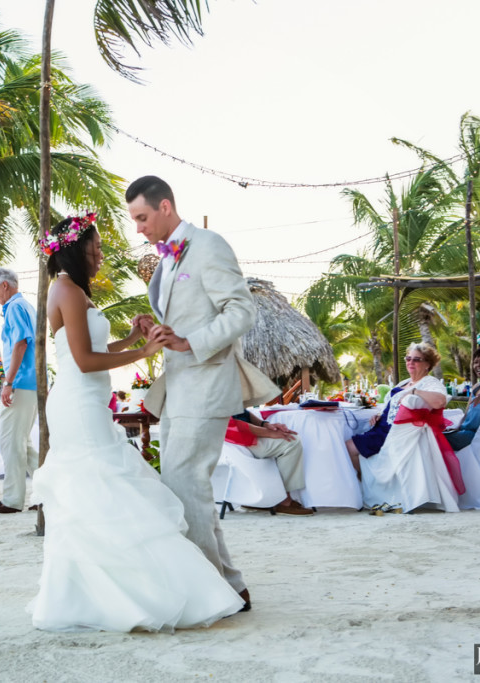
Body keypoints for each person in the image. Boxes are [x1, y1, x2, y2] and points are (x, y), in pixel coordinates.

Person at [29, 213, 243, 632]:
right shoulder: (66, 290)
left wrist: (129, 340)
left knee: (100, 492)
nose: (100, 256)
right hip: (78, 402)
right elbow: (87, 362)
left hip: (85, 402)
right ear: (76, 250)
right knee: (98, 490)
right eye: (95, 249)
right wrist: (143, 354)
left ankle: (101, 593)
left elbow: (87, 347)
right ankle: (108, 595)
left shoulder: (70, 290)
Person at [129, 175, 271, 613]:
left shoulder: (208, 244)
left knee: (184, 485)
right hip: (178, 388)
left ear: (165, 206)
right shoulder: (168, 259)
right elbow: (184, 319)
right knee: (185, 489)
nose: (138, 228)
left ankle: (210, 590)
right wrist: (156, 329)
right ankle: (229, 585)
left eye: (143, 217)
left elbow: (242, 310)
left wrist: (192, 342)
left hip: (206, 383)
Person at [0, 267, 39, 514]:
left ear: (5, 285)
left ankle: (12, 500)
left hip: (21, 382)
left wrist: (8, 382)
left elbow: (20, 344)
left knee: (11, 443)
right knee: (24, 444)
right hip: (31, 383)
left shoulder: (15, 307)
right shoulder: (25, 306)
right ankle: (48, 492)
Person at [345, 342, 447, 475]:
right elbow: (391, 404)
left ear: (428, 364)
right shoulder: (404, 382)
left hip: (394, 433)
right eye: (408, 358)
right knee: (349, 439)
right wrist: (379, 414)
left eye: (416, 359)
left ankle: (367, 481)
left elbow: (440, 401)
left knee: (350, 447)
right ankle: (368, 481)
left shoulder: (430, 382)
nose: (411, 362)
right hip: (381, 426)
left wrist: (415, 391)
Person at [229, 411, 311, 515]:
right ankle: (284, 501)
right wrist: (269, 432)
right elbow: (230, 423)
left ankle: (261, 499)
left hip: (242, 433)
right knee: (291, 443)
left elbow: (242, 412)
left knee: (289, 437)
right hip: (236, 439)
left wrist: (266, 425)